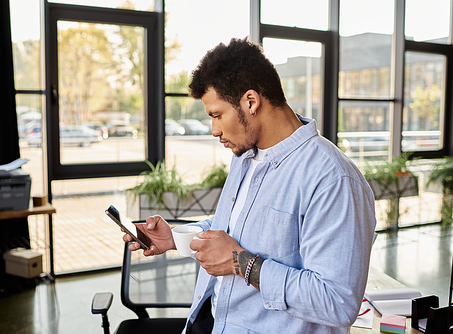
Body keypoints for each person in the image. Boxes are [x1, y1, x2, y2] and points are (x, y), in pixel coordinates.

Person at [123, 37, 377, 334]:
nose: (214, 130)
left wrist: (241, 263)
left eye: (217, 115)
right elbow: (238, 227)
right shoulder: (245, 156)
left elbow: (337, 302)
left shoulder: (333, 180)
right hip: (213, 319)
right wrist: (177, 237)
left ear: (251, 101)